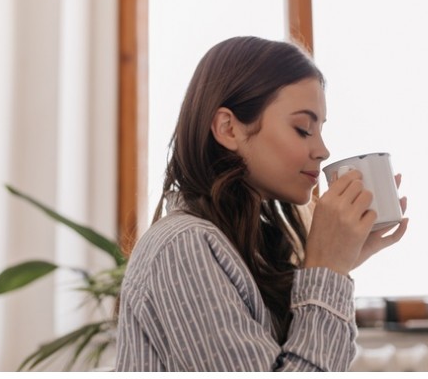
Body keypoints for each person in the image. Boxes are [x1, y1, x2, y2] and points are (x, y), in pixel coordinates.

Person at [115, 36, 408, 372]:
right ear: (228, 128)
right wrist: (326, 271)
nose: (323, 150)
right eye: (302, 129)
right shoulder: (184, 245)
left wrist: (339, 262)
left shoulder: (246, 247)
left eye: (320, 130)